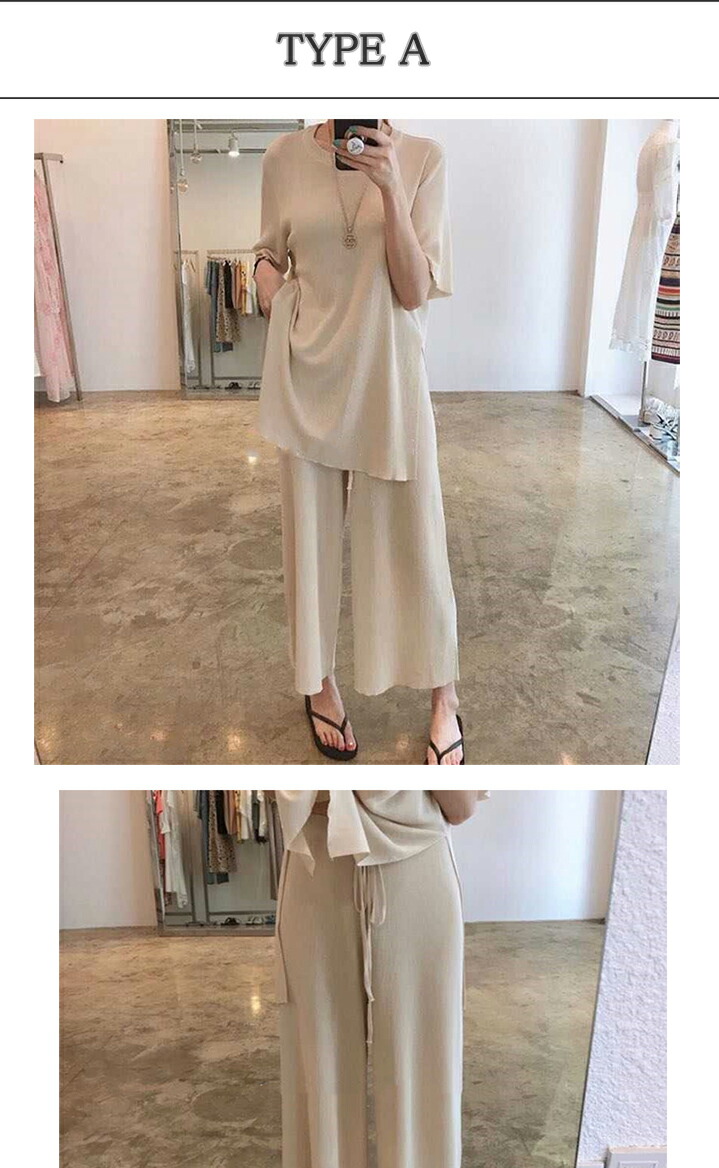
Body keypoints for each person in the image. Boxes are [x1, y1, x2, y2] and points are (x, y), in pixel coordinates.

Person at [254, 121, 463, 765]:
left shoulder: (422, 158)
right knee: (310, 541)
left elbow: (414, 289)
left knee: (417, 540)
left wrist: (392, 186)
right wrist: (270, 290)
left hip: (389, 377)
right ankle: (317, 681)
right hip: (308, 371)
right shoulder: (283, 157)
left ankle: (445, 696)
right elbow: (267, 251)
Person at [272, 789, 486, 1168]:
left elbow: (462, 807)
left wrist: (439, 746)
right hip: (317, 859)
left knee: (421, 1075)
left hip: (417, 858)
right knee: (321, 1078)